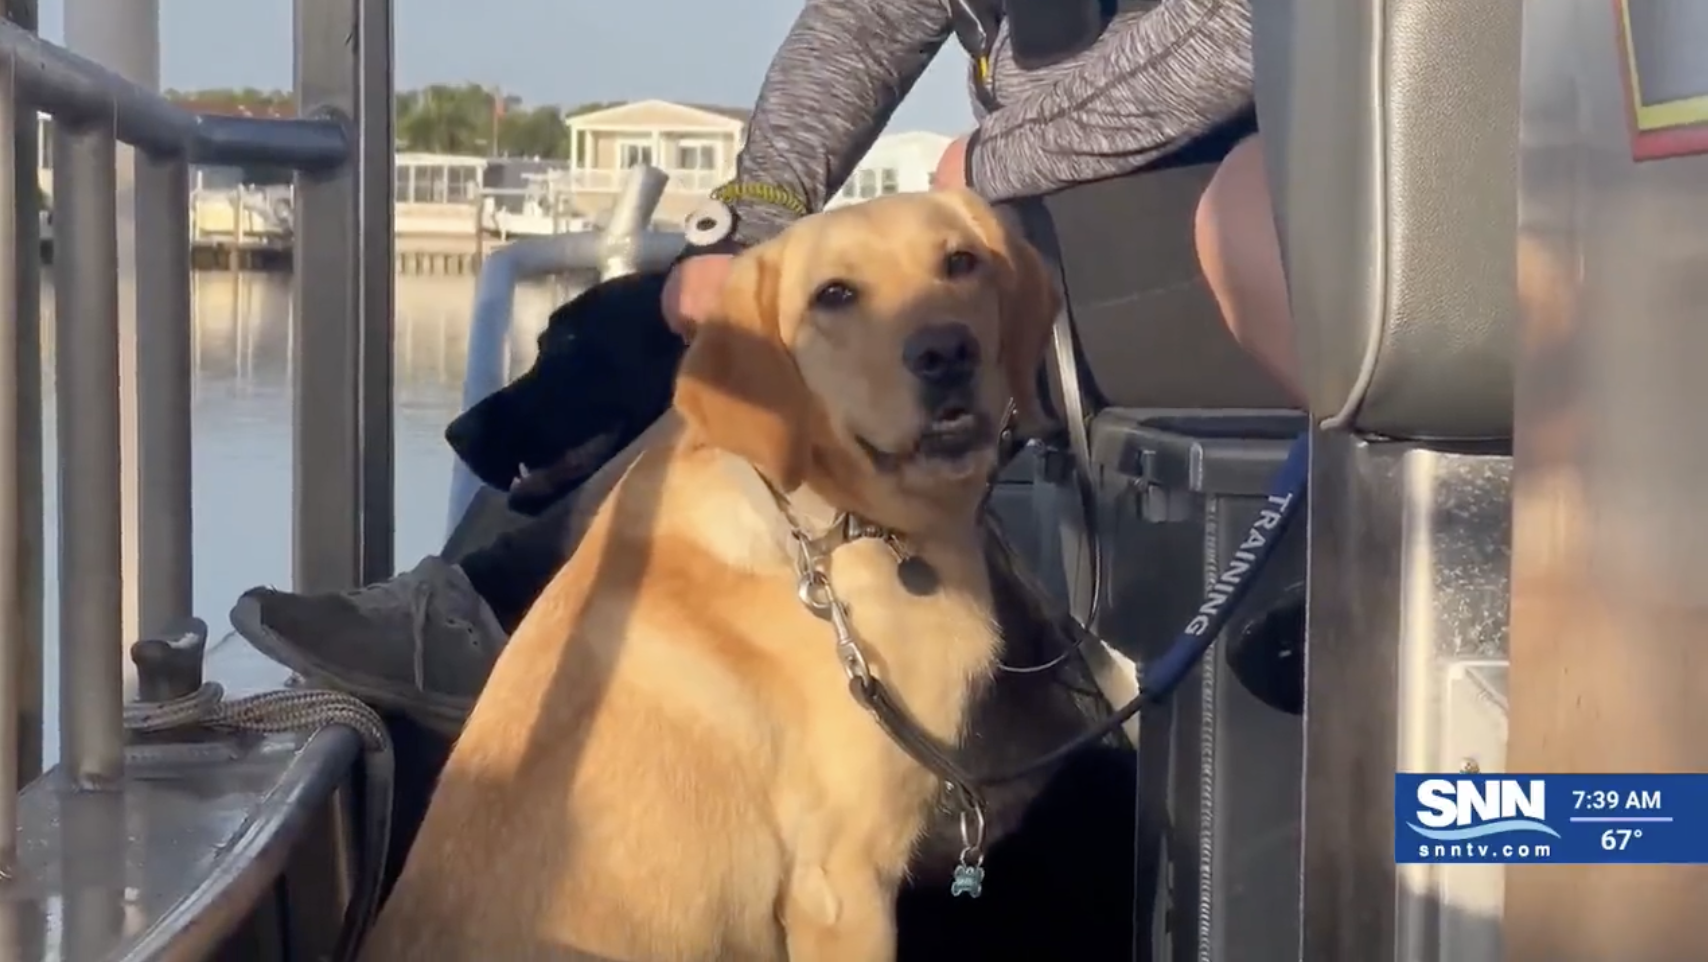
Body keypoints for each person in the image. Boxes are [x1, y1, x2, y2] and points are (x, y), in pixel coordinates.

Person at [230, 0, 1300, 738]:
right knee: (687, 310)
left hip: (1244, 243)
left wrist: (981, 160)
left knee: (807, 339)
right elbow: (859, 32)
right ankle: (486, 588)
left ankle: (499, 611)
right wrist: (746, 235)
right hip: (1084, 221)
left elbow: (1254, 29)